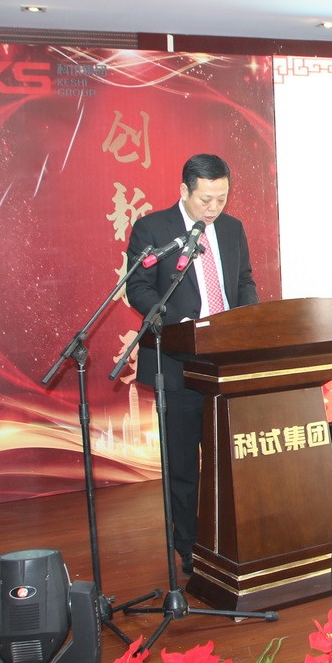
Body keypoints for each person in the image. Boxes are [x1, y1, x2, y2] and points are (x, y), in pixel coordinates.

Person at [126, 153, 259, 576]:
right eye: (205, 199)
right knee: (183, 465)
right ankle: (188, 545)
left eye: (221, 198)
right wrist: (177, 325)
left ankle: (231, 539)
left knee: (229, 459)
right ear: (184, 190)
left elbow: (243, 281)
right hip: (177, 361)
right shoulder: (153, 228)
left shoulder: (232, 229)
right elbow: (138, 288)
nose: (214, 208)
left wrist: (247, 322)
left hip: (224, 363)